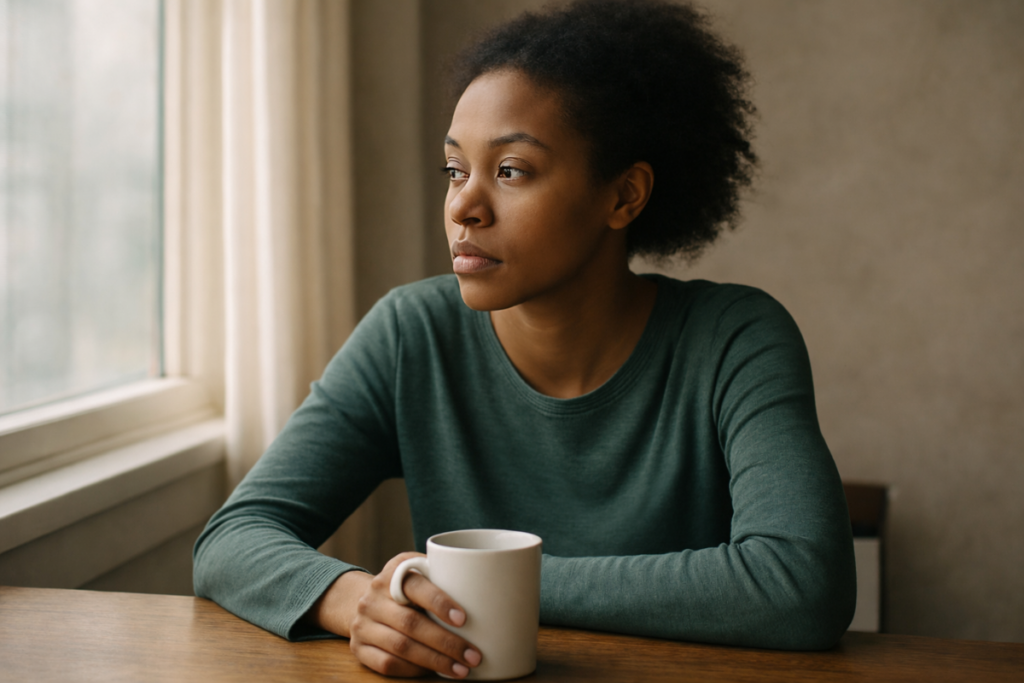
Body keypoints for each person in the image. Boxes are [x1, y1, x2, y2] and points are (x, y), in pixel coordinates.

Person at [193, 0, 857, 678]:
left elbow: (800, 585)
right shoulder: (411, 334)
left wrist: (483, 585)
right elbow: (232, 538)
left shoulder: (735, 340)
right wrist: (354, 598)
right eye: (456, 170)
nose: (464, 206)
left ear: (623, 196)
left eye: (510, 170)